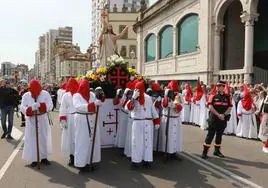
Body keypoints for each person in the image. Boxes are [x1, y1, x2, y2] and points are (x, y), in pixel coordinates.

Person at [73, 80, 105, 173]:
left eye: (87, 87)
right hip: (82, 120)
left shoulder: (91, 94)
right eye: (83, 87)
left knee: (92, 142)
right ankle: (81, 164)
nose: (85, 89)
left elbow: (98, 103)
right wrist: (93, 104)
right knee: (82, 142)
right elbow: (78, 106)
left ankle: (90, 161)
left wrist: (100, 99)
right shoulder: (76, 96)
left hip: (92, 118)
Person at [126, 81, 160, 168]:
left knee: (147, 143)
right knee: (136, 143)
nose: (138, 91)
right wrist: (133, 98)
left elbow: (152, 109)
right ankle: (135, 161)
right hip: (137, 123)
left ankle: (147, 160)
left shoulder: (148, 97)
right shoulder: (133, 96)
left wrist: (156, 121)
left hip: (148, 123)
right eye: (137, 89)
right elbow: (128, 108)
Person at [20, 79, 53, 167]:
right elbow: (22, 107)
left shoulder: (45, 94)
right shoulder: (26, 95)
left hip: (42, 119)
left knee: (43, 138)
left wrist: (41, 106)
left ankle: (44, 157)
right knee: (32, 139)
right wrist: (30, 109)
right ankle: (34, 158)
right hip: (31, 120)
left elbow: (50, 104)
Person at [201, 81, 232, 159]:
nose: (217, 87)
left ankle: (217, 151)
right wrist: (218, 115)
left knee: (219, 135)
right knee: (210, 135)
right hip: (214, 119)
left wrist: (224, 115)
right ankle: (205, 152)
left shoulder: (227, 97)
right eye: (217, 86)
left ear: (223, 87)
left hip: (222, 119)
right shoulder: (213, 95)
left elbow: (229, 107)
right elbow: (210, 107)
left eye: (220, 86)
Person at [161, 80, 183, 159]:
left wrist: (173, 105)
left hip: (176, 119)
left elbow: (180, 106)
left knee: (175, 136)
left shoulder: (179, 95)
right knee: (167, 137)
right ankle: (166, 153)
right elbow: (164, 105)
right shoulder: (166, 94)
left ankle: (174, 152)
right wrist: (167, 96)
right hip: (168, 118)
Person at [59, 78, 79, 166]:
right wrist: (63, 120)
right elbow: (62, 107)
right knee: (70, 139)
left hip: (78, 118)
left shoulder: (79, 94)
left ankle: (78, 156)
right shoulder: (66, 95)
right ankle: (72, 157)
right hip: (70, 118)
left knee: (78, 138)